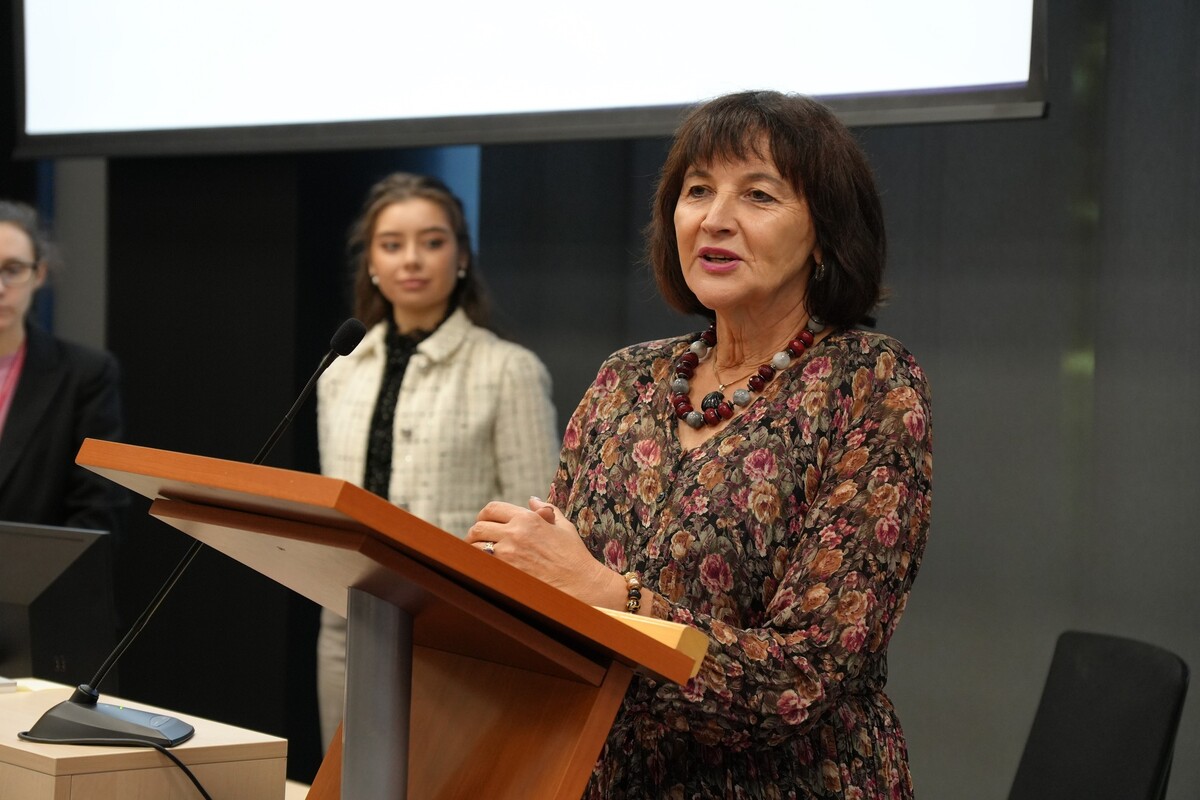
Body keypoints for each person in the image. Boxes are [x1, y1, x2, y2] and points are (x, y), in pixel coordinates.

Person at [468, 91, 933, 799]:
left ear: (825, 233)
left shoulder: (869, 381)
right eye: (697, 191)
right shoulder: (627, 379)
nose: (715, 218)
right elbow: (557, 595)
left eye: (759, 195)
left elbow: (805, 678)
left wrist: (609, 596)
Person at [314, 172, 560, 749]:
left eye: (432, 241)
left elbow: (534, 524)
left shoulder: (508, 369)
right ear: (372, 263)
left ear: (462, 255)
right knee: (343, 777)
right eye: (391, 244)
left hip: (458, 622)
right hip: (346, 615)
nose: (412, 259)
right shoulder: (339, 372)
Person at [0, 200, 126, 533]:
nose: (0, 288)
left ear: (39, 274)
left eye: (13, 269)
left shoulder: (86, 374)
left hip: (36, 566)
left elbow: (98, 509)